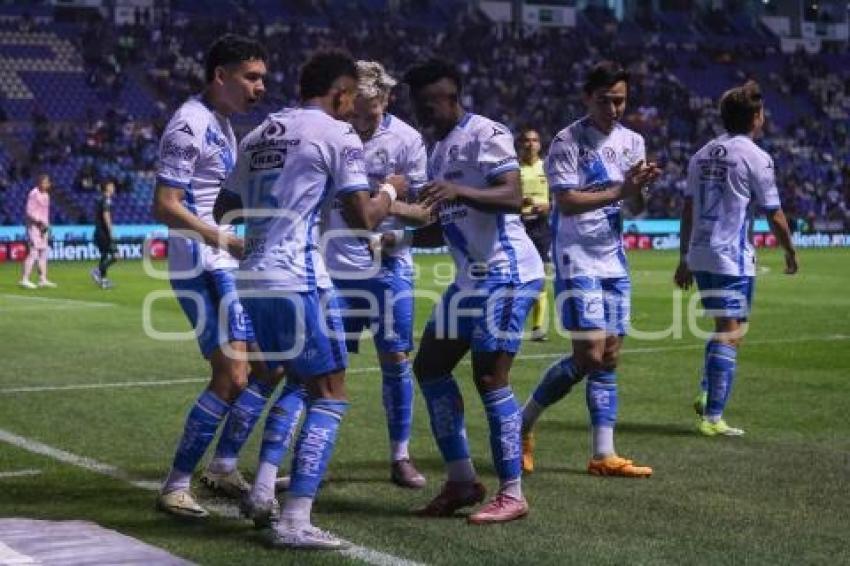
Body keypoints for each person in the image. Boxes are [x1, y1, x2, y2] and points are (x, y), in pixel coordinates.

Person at [215, 50, 408, 549]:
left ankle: (261, 491)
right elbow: (365, 217)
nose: (351, 104)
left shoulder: (260, 133)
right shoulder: (336, 133)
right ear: (340, 92)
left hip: (254, 276)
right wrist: (389, 188)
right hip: (296, 278)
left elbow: (224, 204)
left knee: (298, 381)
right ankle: (295, 520)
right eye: (349, 95)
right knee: (330, 392)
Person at [403, 59, 544, 524]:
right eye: (418, 106)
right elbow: (441, 224)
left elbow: (511, 197)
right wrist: (396, 233)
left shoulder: (487, 133)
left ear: (451, 96)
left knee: (490, 377)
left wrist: (457, 191)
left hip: (508, 273)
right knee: (430, 367)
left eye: (430, 105)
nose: (424, 115)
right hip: (470, 280)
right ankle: (462, 480)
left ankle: (512, 492)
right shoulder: (437, 150)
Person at [152, 34, 279, 519]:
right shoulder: (189, 123)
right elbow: (165, 205)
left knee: (267, 366)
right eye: (251, 77)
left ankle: (223, 465)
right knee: (232, 374)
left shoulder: (223, 124)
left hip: (224, 260)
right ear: (220, 75)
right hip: (202, 260)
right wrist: (222, 239)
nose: (260, 87)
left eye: (263, 77)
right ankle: (176, 484)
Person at [521, 61, 659, 478]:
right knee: (588, 354)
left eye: (620, 100)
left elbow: (635, 206)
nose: (614, 108)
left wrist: (638, 192)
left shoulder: (634, 141)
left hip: (613, 257)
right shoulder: (568, 141)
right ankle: (521, 425)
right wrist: (622, 189)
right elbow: (566, 201)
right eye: (605, 100)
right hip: (576, 256)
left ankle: (603, 453)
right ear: (587, 97)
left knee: (610, 356)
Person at [323, 60, 431, 488]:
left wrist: (381, 210)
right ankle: (314, 455)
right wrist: (380, 197)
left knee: (396, 360)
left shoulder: (407, 139)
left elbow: (425, 213)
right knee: (325, 366)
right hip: (332, 268)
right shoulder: (332, 130)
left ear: (385, 99)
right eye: (355, 108)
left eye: (370, 111)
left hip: (389, 266)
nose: (361, 119)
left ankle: (400, 456)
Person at [674, 80, 798, 437]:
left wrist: (684, 257)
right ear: (756, 117)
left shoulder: (701, 154)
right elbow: (774, 213)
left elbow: (687, 209)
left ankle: (708, 392)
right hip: (730, 257)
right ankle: (713, 417)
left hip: (701, 254)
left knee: (729, 330)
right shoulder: (756, 158)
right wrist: (789, 251)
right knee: (730, 333)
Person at [518, 128, 551, 341]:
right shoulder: (513, 169)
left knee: (540, 277)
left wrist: (548, 206)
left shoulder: (547, 167)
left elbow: (558, 196)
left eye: (535, 140)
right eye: (527, 140)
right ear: (521, 144)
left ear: (540, 144)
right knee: (517, 277)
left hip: (540, 228)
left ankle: (538, 327)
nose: (531, 144)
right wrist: (520, 203)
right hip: (518, 226)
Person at [19, 173, 56, 289]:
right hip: (34, 226)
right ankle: (25, 279)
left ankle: (42, 279)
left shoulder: (47, 195)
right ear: (39, 183)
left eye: (47, 182)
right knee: (33, 252)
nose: (46, 184)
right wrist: (38, 222)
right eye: (44, 182)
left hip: (43, 227)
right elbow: (29, 212)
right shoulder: (33, 194)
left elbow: (46, 213)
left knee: (44, 253)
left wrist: (48, 226)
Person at [91, 180, 118, 289]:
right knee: (115, 256)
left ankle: (103, 280)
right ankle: (98, 272)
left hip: (100, 231)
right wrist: (111, 231)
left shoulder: (101, 199)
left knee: (105, 255)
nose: (113, 188)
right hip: (104, 232)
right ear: (106, 187)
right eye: (111, 186)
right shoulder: (106, 200)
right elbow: (106, 216)